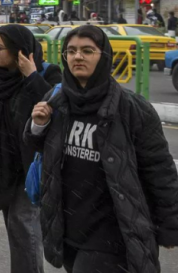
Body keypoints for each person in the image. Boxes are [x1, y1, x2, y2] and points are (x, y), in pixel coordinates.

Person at [25, 25, 178, 272]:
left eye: (87, 50)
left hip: (112, 231)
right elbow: (39, 149)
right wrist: (37, 125)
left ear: (103, 56)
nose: (78, 57)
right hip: (69, 226)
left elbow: (159, 168)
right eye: (71, 51)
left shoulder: (131, 108)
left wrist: (169, 225)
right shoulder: (57, 100)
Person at [0, 25, 61, 273]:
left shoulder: (48, 74)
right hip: (2, 166)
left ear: (19, 52)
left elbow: (57, 108)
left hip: (32, 165)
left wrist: (32, 75)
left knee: (23, 224)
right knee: (15, 228)